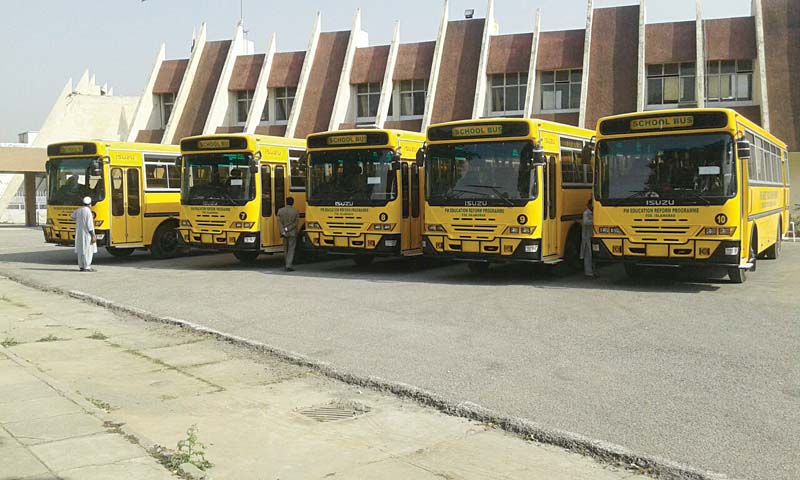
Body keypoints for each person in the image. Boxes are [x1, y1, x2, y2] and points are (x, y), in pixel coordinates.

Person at [71, 196, 97, 272]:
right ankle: (87, 267)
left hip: (79, 233)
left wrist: (79, 220)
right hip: (87, 234)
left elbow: (72, 216)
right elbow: (90, 225)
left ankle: (81, 266)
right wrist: (93, 235)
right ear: (90, 204)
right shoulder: (88, 212)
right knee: (88, 250)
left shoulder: (79, 210)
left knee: (81, 250)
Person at [276, 197, 299, 272]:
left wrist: (283, 230)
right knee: (291, 249)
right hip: (292, 233)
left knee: (285, 249)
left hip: (283, 233)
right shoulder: (295, 211)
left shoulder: (280, 211)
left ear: (286, 202)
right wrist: (288, 229)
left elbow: (279, 223)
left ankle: (286, 263)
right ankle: (288, 265)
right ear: (293, 202)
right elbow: (295, 223)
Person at [580, 199, 594, 278]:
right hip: (586, 238)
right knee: (588, 256)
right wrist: (595, 220)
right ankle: (588, 273)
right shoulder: (586, 213)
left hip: (591, 237)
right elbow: (585, 222)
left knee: (592, 256)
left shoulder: (593, 213)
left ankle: (592, 272)